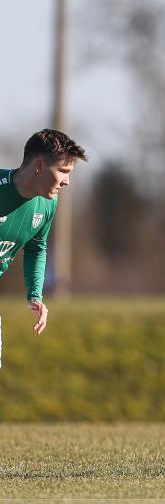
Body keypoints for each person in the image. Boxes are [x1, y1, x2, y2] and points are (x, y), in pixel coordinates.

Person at [0, 129, 87, 367]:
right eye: (63, 171)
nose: (67, 181)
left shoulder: (47, 205)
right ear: (39, 166)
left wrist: (34, 296)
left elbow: (36, 248)